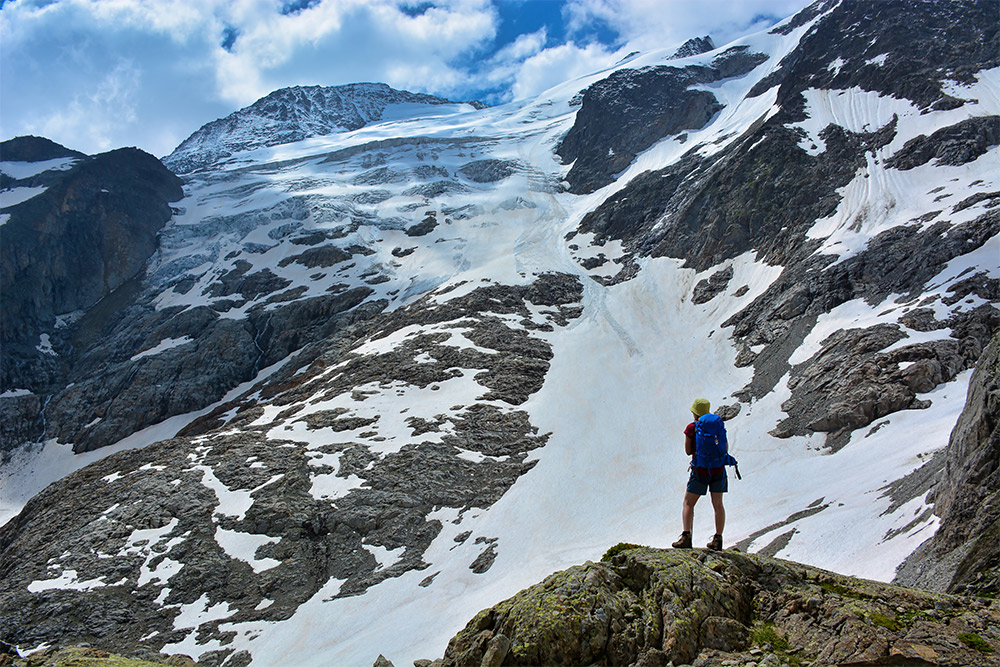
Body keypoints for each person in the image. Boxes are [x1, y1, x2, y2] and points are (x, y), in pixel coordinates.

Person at [672, 397, 727, 551]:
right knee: (718, 505)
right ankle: (718, 539)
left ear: (695, 412)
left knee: (688, 503)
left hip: (700, 470)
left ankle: (686, 537)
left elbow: (688, 451)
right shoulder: (718, 425)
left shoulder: (691, 428)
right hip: (719, 469)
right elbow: (725, 448)